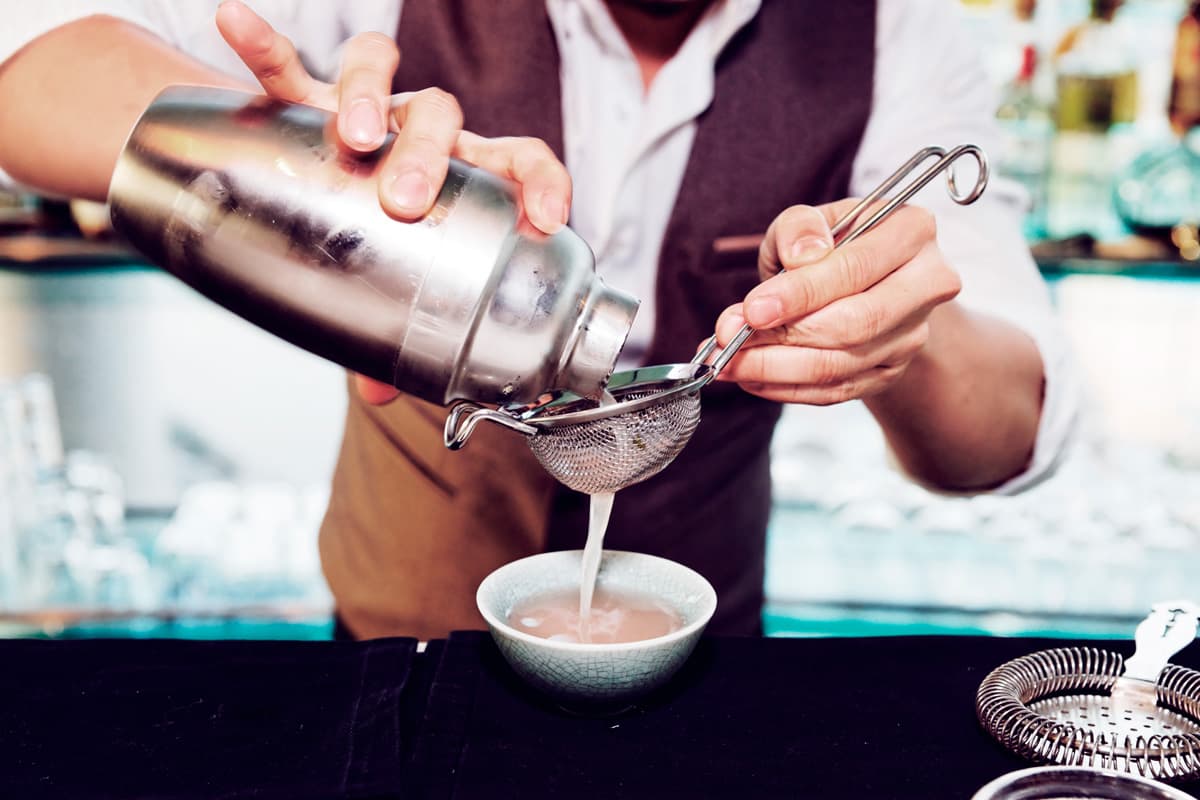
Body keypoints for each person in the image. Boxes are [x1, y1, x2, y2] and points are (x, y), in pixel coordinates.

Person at [0, 0, 1078, 639]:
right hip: (401, 634)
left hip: (699, 644)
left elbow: (1004, 442)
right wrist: (299, 149)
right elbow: (28, 69)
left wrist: (900, 331)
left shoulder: (896, 29)